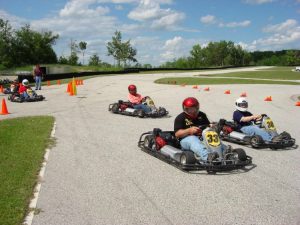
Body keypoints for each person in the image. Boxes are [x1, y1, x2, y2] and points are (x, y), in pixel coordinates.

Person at [174, 97, 222, 162]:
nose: (192, 111)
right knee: (193, 139)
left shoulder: (202, 115)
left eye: (193, 109)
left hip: (202, 137)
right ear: (185, 109)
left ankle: (224, 152)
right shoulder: (180, 118)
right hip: (186, 140)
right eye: (189, 109)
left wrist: (213, 127)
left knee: (212, 137)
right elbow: (177, 134)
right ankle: (207, 157)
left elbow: (208, 126)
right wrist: (189, 130)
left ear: (197, 107)